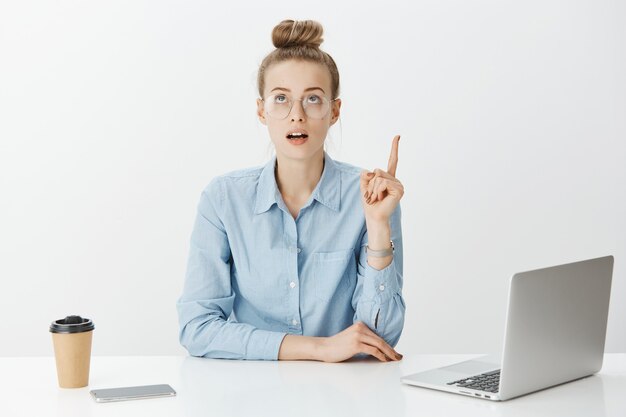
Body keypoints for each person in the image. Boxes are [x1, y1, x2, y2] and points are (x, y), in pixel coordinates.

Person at [177, 19, 406, 362]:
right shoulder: (224, 199)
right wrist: (319, 348)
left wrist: (377, 227)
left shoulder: (372, 197)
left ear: (334, 111)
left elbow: (380, 341)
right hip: (251, 393)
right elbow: (196, 328)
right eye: (281, 99)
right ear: (261, 111)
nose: (296, 115)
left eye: (313, 99)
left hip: (346, 395)